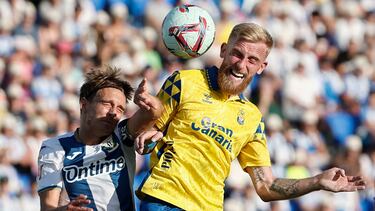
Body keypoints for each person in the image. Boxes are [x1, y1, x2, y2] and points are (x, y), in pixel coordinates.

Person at [135, 23, 366, 210]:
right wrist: (147, 127)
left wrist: (316, 182)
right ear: (224, 50)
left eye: (252, 60)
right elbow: (144, 135)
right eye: (237, 54)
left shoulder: (252, 117)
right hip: (165, 199)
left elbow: (266, 186)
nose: (241, 65)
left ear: (262, 67)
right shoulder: (183, 81)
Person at [37, 66, 163, 211]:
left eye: (120, 109)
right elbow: (48, 208)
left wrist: (146, 100)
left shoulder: (122, 135)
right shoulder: (54, 147)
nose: (114, 112)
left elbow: (153, 112)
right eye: (107, 104)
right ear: (84, 105)